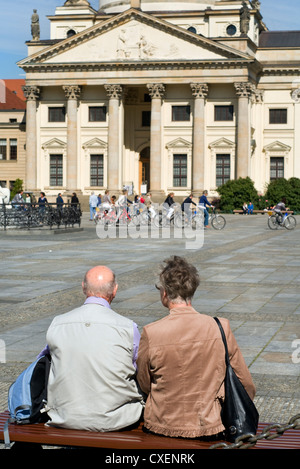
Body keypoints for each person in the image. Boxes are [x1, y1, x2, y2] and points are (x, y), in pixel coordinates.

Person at [137, 256, 256, 439]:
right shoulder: (220, 327)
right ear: (192, 290)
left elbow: (145, 383)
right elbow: (245, 382)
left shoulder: (152, 332)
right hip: (208, 425)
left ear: (164, 293)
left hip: (161, 426)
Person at [45, 265, 145, 432]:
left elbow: (46, 362)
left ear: (83, 287)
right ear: (115, 290)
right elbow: (139, 369)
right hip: (117, 418)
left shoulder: (58, 323)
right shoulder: (127, 327)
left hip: (65, 416)